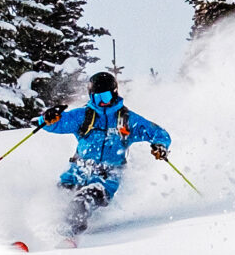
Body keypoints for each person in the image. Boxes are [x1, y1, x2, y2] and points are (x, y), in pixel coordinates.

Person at [38, 70, 171, 240]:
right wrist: (48, 118)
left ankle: (67, 237)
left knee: (81, 202)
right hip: (77, 172)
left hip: (106, 177)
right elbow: (56, 124)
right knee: (54, 201)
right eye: (97, 98)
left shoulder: (127, 120)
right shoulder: (84, 116)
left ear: (115, 94)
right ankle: (39, 236)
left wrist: (160, 145)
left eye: (106, 97)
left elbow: (158, 132)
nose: (101, 103)